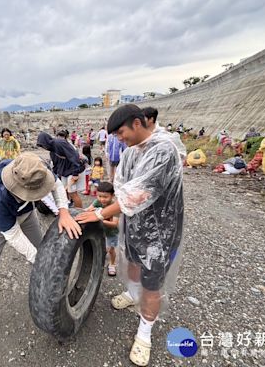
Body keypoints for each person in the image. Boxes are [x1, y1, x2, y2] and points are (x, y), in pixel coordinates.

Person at [76, 104, 184, 366]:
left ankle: (144, 334)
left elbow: (139, 193)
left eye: (120, 132)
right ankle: (133, 295)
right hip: (134, 224)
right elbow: (120, 188)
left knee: (152, 283)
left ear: (137, 123)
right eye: (114, 135)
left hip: (161, 231)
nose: (118, 139)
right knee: (134, 264)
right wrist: (98, 206)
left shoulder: (163, 149)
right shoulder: (131, 152)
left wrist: (101, 215)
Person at [0, 152, 82, 348]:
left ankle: (54, 301)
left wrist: (63, 211)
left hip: (26, 216)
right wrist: (37, 258)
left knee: (47, 255)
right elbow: (12, 235)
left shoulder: (35, 169)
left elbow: (56, 185)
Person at [37, 132, 86, 208]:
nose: (43, 147)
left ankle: (80, 213)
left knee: (72, 193)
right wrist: (54, 177)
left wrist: (75, 173)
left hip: (74, 168)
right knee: (63, 192)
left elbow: (74, 155)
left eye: (43, 145)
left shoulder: (59, 143)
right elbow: (56, 166)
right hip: (65, 171)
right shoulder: (52, 152)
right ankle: (67, 209)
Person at [85, 181, 119, 276]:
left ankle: (112, 264)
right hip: (100, 231)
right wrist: (89, 212)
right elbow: (88, 209)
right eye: (99, 196)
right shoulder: (97, 202)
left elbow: (114, 224)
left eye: (105, 197)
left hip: (111, 232)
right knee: (100, 247)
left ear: (112, 195)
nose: (102, 199)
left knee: (110, 250)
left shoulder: (115, 207)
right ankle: (99, 262)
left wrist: (100, 218)